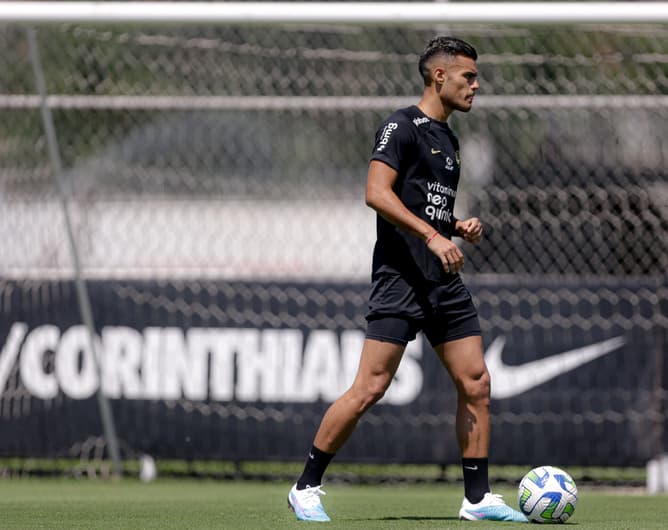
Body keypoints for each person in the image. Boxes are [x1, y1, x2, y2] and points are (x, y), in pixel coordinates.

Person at [287, 36, 527, 523]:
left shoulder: (451, 139)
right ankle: (306, 485)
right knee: (370, 387)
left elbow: (425, 206)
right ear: (440, 76)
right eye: (468, 76)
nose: (476, 86)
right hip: (401, 278)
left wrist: (454, 226)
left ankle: (477, 499)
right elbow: (376, 193)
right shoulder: (401, 127)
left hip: (443, 279)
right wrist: (432, 236)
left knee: (476, 380)